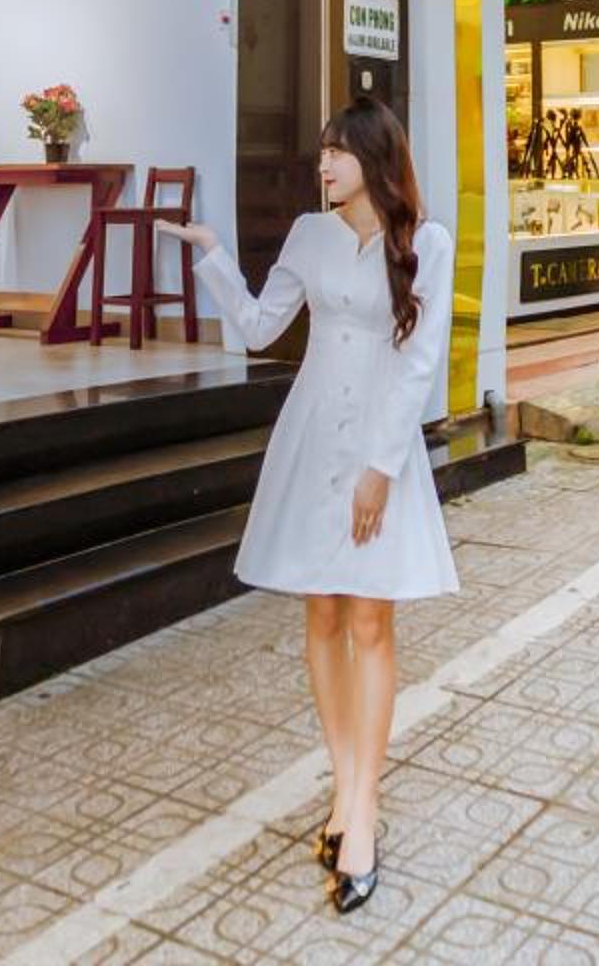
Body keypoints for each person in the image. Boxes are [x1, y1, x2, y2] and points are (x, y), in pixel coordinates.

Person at [156, 98, 452, 916]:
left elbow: (419, 363)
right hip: (314, 436)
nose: (323, 166)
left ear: (375, 158)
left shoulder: (425, 243)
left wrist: (380, 469)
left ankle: (362, 810)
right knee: (322, 614)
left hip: (378, 448)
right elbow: (260, 327)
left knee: (371, 623)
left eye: (337, 152)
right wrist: (215, 255)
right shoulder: (308, 235)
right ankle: (346, 793)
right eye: (321, 153)